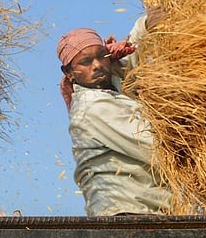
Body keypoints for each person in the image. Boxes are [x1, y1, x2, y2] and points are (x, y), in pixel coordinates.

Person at [57, 20, 172, 216]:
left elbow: (129, 63)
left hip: (151, 212)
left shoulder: (109, 86)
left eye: (102, 57)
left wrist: (145, 25)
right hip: (126, 214)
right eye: (85, 62)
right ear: (69, 74)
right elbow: (157, 150)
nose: (97, 66)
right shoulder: (93, 108)